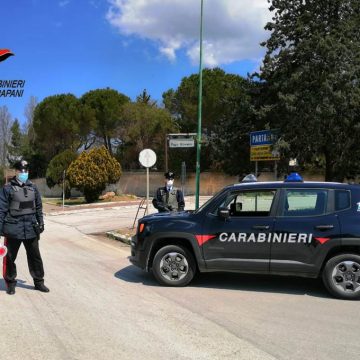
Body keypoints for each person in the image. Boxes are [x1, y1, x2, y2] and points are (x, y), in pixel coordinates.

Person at [0, 160, 49, 295]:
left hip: (31, 228)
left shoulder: (33, 187)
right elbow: (1, 209)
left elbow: (38, 207)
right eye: (21, 171)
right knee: (10, 257)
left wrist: (41, 222)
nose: (23, 173)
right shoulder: (7, 188)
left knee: (35, 257)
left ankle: (39, 282)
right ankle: (10, 283)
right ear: (15, 172)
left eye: (26, 171)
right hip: (13, 229)